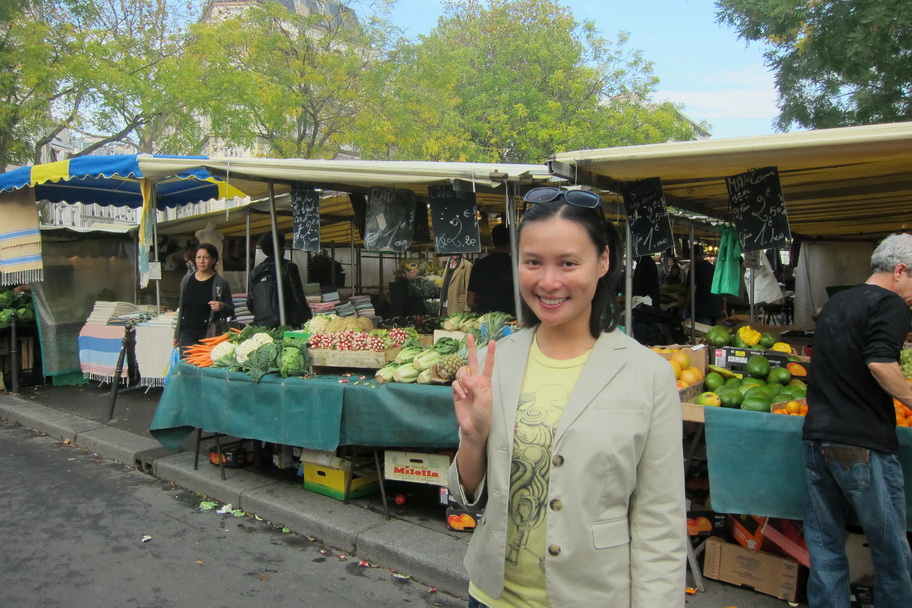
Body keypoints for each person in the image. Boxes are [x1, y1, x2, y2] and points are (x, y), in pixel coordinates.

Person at [448, 187, 686, 607]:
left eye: (568, 263)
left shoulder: (648, 374)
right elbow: (468, 495)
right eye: (533, 262)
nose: (548, 281)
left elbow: (660, 522)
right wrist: (473, 438)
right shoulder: (495, 361)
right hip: (489, 598)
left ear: (603, 261)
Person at [802, 233, 912, 608]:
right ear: (900, 271)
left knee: (825, 544)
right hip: (861, 443)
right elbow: (880, 362)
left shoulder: (837, 303)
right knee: (890, 550)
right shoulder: (889, 304)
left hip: (816, 438)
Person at [173, 243, 234, 350]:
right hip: (187, 334)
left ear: (214, 260)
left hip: (210, 334)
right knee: (187, 360)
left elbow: (231, 310)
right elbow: (182, 308)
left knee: (206, 360)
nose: (201, 261)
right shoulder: (187, 280)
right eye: (198, 257)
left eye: (205, 257)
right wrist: (177, 334)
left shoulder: (220, 283)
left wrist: (222, 306)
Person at [247, 232, 310, 329]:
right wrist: (307, 317)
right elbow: (298, 297)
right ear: (280, 249)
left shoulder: (254, 272)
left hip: (262, 326)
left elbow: (250, 303)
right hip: (287, 324)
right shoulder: (288, 267)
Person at [467, 223, 515, 315]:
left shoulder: (479, 265)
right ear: (511, 241)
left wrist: (484, 307)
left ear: (493, 241)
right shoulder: (516, 265)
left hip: (485, 318)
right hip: (512, 318)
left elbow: (470, 302)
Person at [683, 245, 726, 325]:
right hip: (716, 307)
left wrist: (683, 307)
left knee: (704, 331)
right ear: (703, 255)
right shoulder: (713, 268)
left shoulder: (694, 268)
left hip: (702, 308)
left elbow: (692, 288)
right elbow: (722, 289)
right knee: (711, 330)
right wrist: (724, 308)